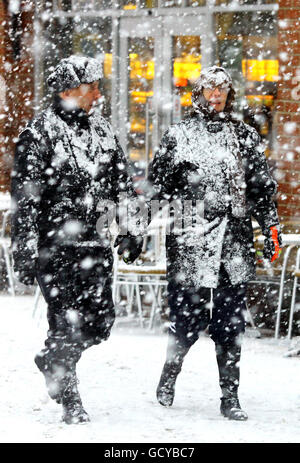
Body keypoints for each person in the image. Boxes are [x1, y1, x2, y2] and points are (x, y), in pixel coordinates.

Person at [11, 55, 142, 424]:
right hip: (55, 249)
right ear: (68, 90)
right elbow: (26, 199)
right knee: (65, 324)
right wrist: (24, 249)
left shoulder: (103, 129)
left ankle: (52, 359)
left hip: (96, 245)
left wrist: (132, 229)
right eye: (92, 87)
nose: (98, 93)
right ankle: (71, 399)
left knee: (100, 323)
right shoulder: (39, 133)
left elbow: (122, 185)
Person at [148, 66, 282, 420]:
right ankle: (169, 373)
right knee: (186, 318)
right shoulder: (179, 135)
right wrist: (133, 228)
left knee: (229, 322)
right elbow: (155, 187)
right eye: (210, 89)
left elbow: (260, 189)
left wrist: (270, 226)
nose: (217, 95)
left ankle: (230, 396)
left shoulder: (245, 136)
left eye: (222, 89)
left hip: (234, 236)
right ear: (198, 93)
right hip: (190, 231)